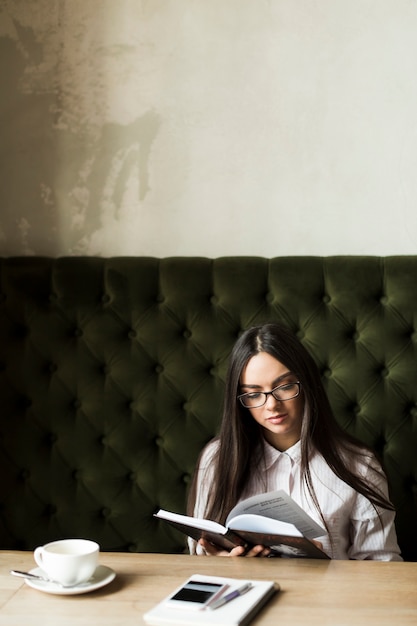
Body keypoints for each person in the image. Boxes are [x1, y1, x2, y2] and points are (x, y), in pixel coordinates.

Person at [187, 322, 402, 560]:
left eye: (285, 386)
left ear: (307, 383)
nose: (271, 405)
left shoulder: (358, 464)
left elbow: (382, 564)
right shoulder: (217, 458)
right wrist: (222, 562)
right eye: (254, 394)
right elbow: (200, 549)